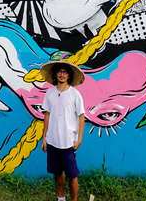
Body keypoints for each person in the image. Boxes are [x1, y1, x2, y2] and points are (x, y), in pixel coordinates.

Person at [40, 60, 86, 201]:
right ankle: (61, 198)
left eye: (65, 72)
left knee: (72, 174)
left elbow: (81, 116)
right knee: (57, 172)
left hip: (68, 141)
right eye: (59, 71)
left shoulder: (74, 94)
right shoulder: (50, 93)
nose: (62, 74)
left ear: (69, 75)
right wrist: (44, 138)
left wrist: (80, 139)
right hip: (52, 140)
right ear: (55, 74)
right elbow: (47, 115)